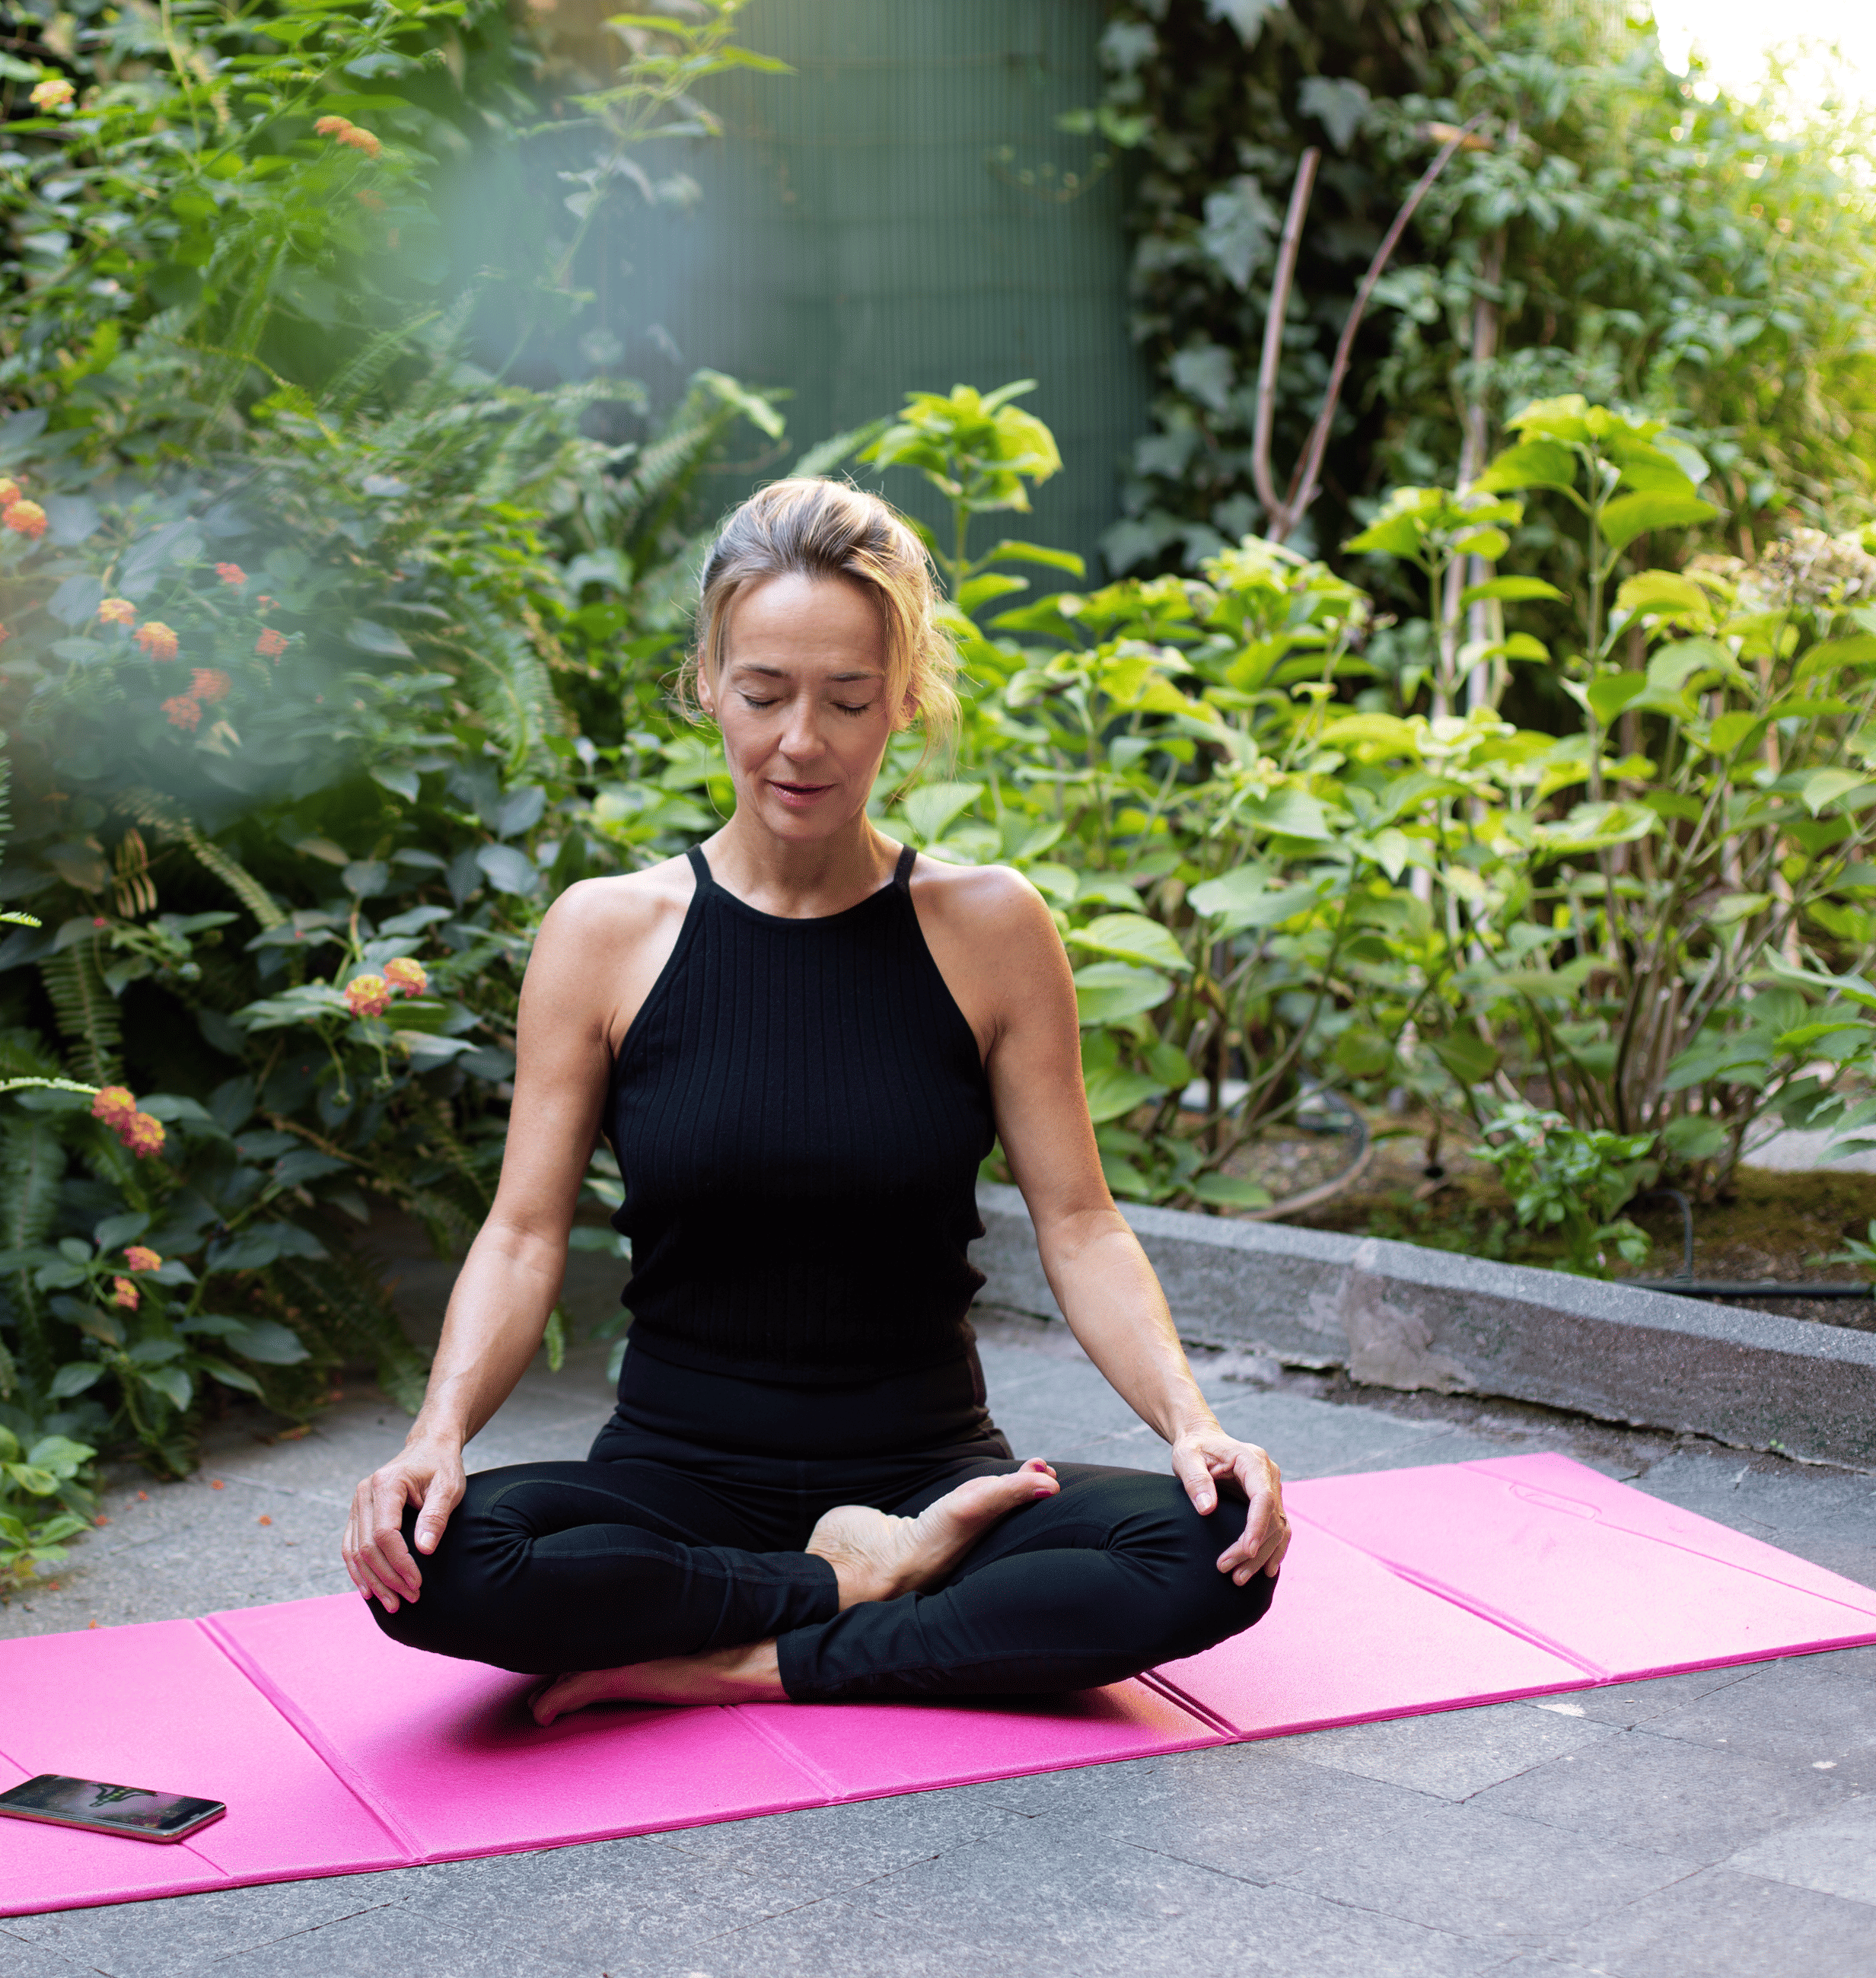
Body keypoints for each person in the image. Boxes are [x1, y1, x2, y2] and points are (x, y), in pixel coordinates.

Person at [339, 477, 1287, 1725]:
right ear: (707, 682)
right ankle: (856, 1589)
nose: (802, 742)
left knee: (1214, 1547)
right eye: (763, 693)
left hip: (933, 1480)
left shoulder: (993, 928)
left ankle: (737, 1655)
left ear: (905, 697)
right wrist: (436, 1435)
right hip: (674, 1481)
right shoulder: (604, 934)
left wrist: (1194, 1425)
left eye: (847, 699)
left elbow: (1080, 1223)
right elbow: (521, 1233)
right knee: (437, 1561)